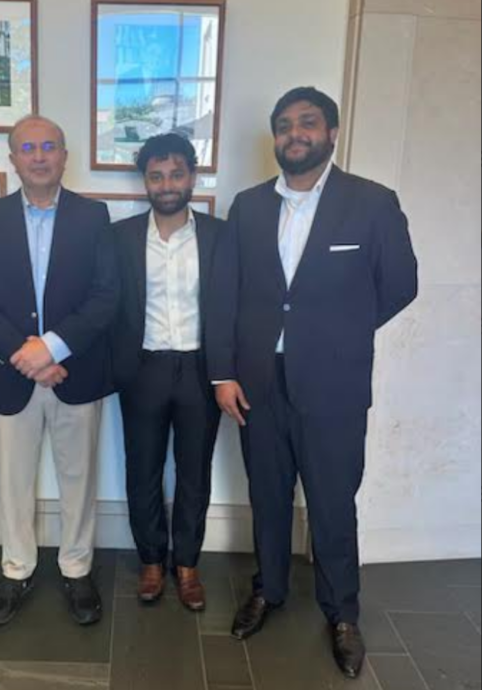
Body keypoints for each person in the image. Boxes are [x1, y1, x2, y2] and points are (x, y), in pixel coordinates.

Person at [207, 87, 418, 678]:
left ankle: (342, 613)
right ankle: (268, 589)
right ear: (275, 137)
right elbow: (224, 294)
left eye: (307, 123)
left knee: (331, 503)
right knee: (268, 498)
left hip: (334, 386)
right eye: (283, 125)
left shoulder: (372, 203)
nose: (294, 134)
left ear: (331, 132)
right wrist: (222, 373)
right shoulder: (247, 208)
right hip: (258, 383)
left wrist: (336, 333)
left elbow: (400, 284)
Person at [0, 115, 119, 628]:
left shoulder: (94, 217)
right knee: (14, 480)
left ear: (65, 155)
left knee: (78, 479)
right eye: (28, 147)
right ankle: (17, 568)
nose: (40, 155)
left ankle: (76, 570)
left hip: (77, 373)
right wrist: (23, 355)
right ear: (13, 159)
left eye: (50, 145)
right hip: (11, 375)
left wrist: (50, 349)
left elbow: (106, 295)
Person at [111, 134, 223, 611]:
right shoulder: (121, 238)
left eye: (176, 174)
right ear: (145, 182)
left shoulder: (220, 235)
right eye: (156, 176)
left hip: (202, 369)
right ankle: (153, 561)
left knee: (195, 473)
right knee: (143, 471)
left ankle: (188, 565)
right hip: (144, 369)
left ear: (192, 177)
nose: (167, 184)